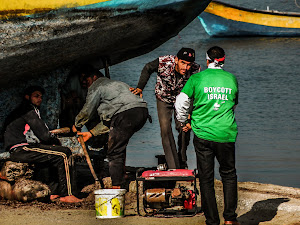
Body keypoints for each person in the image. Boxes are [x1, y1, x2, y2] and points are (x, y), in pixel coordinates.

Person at [175, 46, 240, 225]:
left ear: (207, 60)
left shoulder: (197, 78)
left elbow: (180, 102)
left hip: (203, 135)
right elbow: (233, 105)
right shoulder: (232, 79)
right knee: (229, 174)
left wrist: (182, 121)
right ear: (224, 61)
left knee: (206, 178)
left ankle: (212, 221)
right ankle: (230, 219)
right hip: (226, 134)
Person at [4, 86, 82, 203]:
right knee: (64, 153)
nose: (40, 99)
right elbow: (44, 135)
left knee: (55, 154)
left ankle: (53, 192)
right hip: (21, 149)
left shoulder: (23, 110)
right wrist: (56, 142)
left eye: (41, 97)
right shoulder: (29, 111)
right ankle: (68, 194)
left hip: (22, 148)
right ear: (27, 97)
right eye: (36, 96)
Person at [73, 73, 148, 189]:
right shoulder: (118, 85)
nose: (83, 81)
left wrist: (77, 124)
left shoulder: (97, 86)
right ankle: (122, 175)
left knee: (113, 152)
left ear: (94, 76)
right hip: (142, 111)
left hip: (126, 114)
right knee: (119, 144)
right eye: (81, 79)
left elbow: (88, 110)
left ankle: (117, 186)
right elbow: (110, 121)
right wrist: (91, 133)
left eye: (86, 77)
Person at [130, 47, 200, 169]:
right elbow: (148, 68)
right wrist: (140, 87)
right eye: (183, 63)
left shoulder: (195, 70)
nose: (186, 68)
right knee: (165, 129)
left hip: (182, 101)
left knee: (184, 127)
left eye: (189, 64)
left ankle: (182, 159)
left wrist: (190, 113)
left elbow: (195, 92)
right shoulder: (164, 62)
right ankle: (173, 165)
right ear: (176, 60)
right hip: (164, 98)